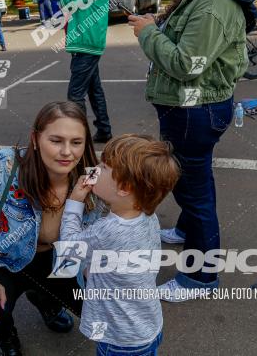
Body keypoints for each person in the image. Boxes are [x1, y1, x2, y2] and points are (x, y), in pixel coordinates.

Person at [127, 0, 257, 301]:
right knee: (194, 181)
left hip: (195, 110)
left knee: (195, 192)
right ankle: (186, 230)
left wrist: (148, 34)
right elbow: (187, 44)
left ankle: (201, 276)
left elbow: (188, 64)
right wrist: (153, 25)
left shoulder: (213, 2)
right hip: (192, 109)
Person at [0, 101, 105, 356]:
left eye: (76, 142)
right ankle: (6, 333)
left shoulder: (93, 177)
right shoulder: (4, 166)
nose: (67, 152)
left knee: (97, 305)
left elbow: (99, 228)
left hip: (59, 259)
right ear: (35, 139)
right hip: (6, 260)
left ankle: (45, 299)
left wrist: (95, 269)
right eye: (56, 140)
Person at [60, 134, 180, 354]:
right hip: (148, 325)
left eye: (104, 167)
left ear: (124, 188)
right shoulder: (147, 216)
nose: (95, 169)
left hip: (119, 339)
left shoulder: (108, 230)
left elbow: (69, 252)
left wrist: (75, 203)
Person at [62, 0, 112, 144]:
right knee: (94, 90)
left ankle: (78, 137)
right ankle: (104, 129)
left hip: (86, 42)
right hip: (87, 40)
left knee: (75, 95)